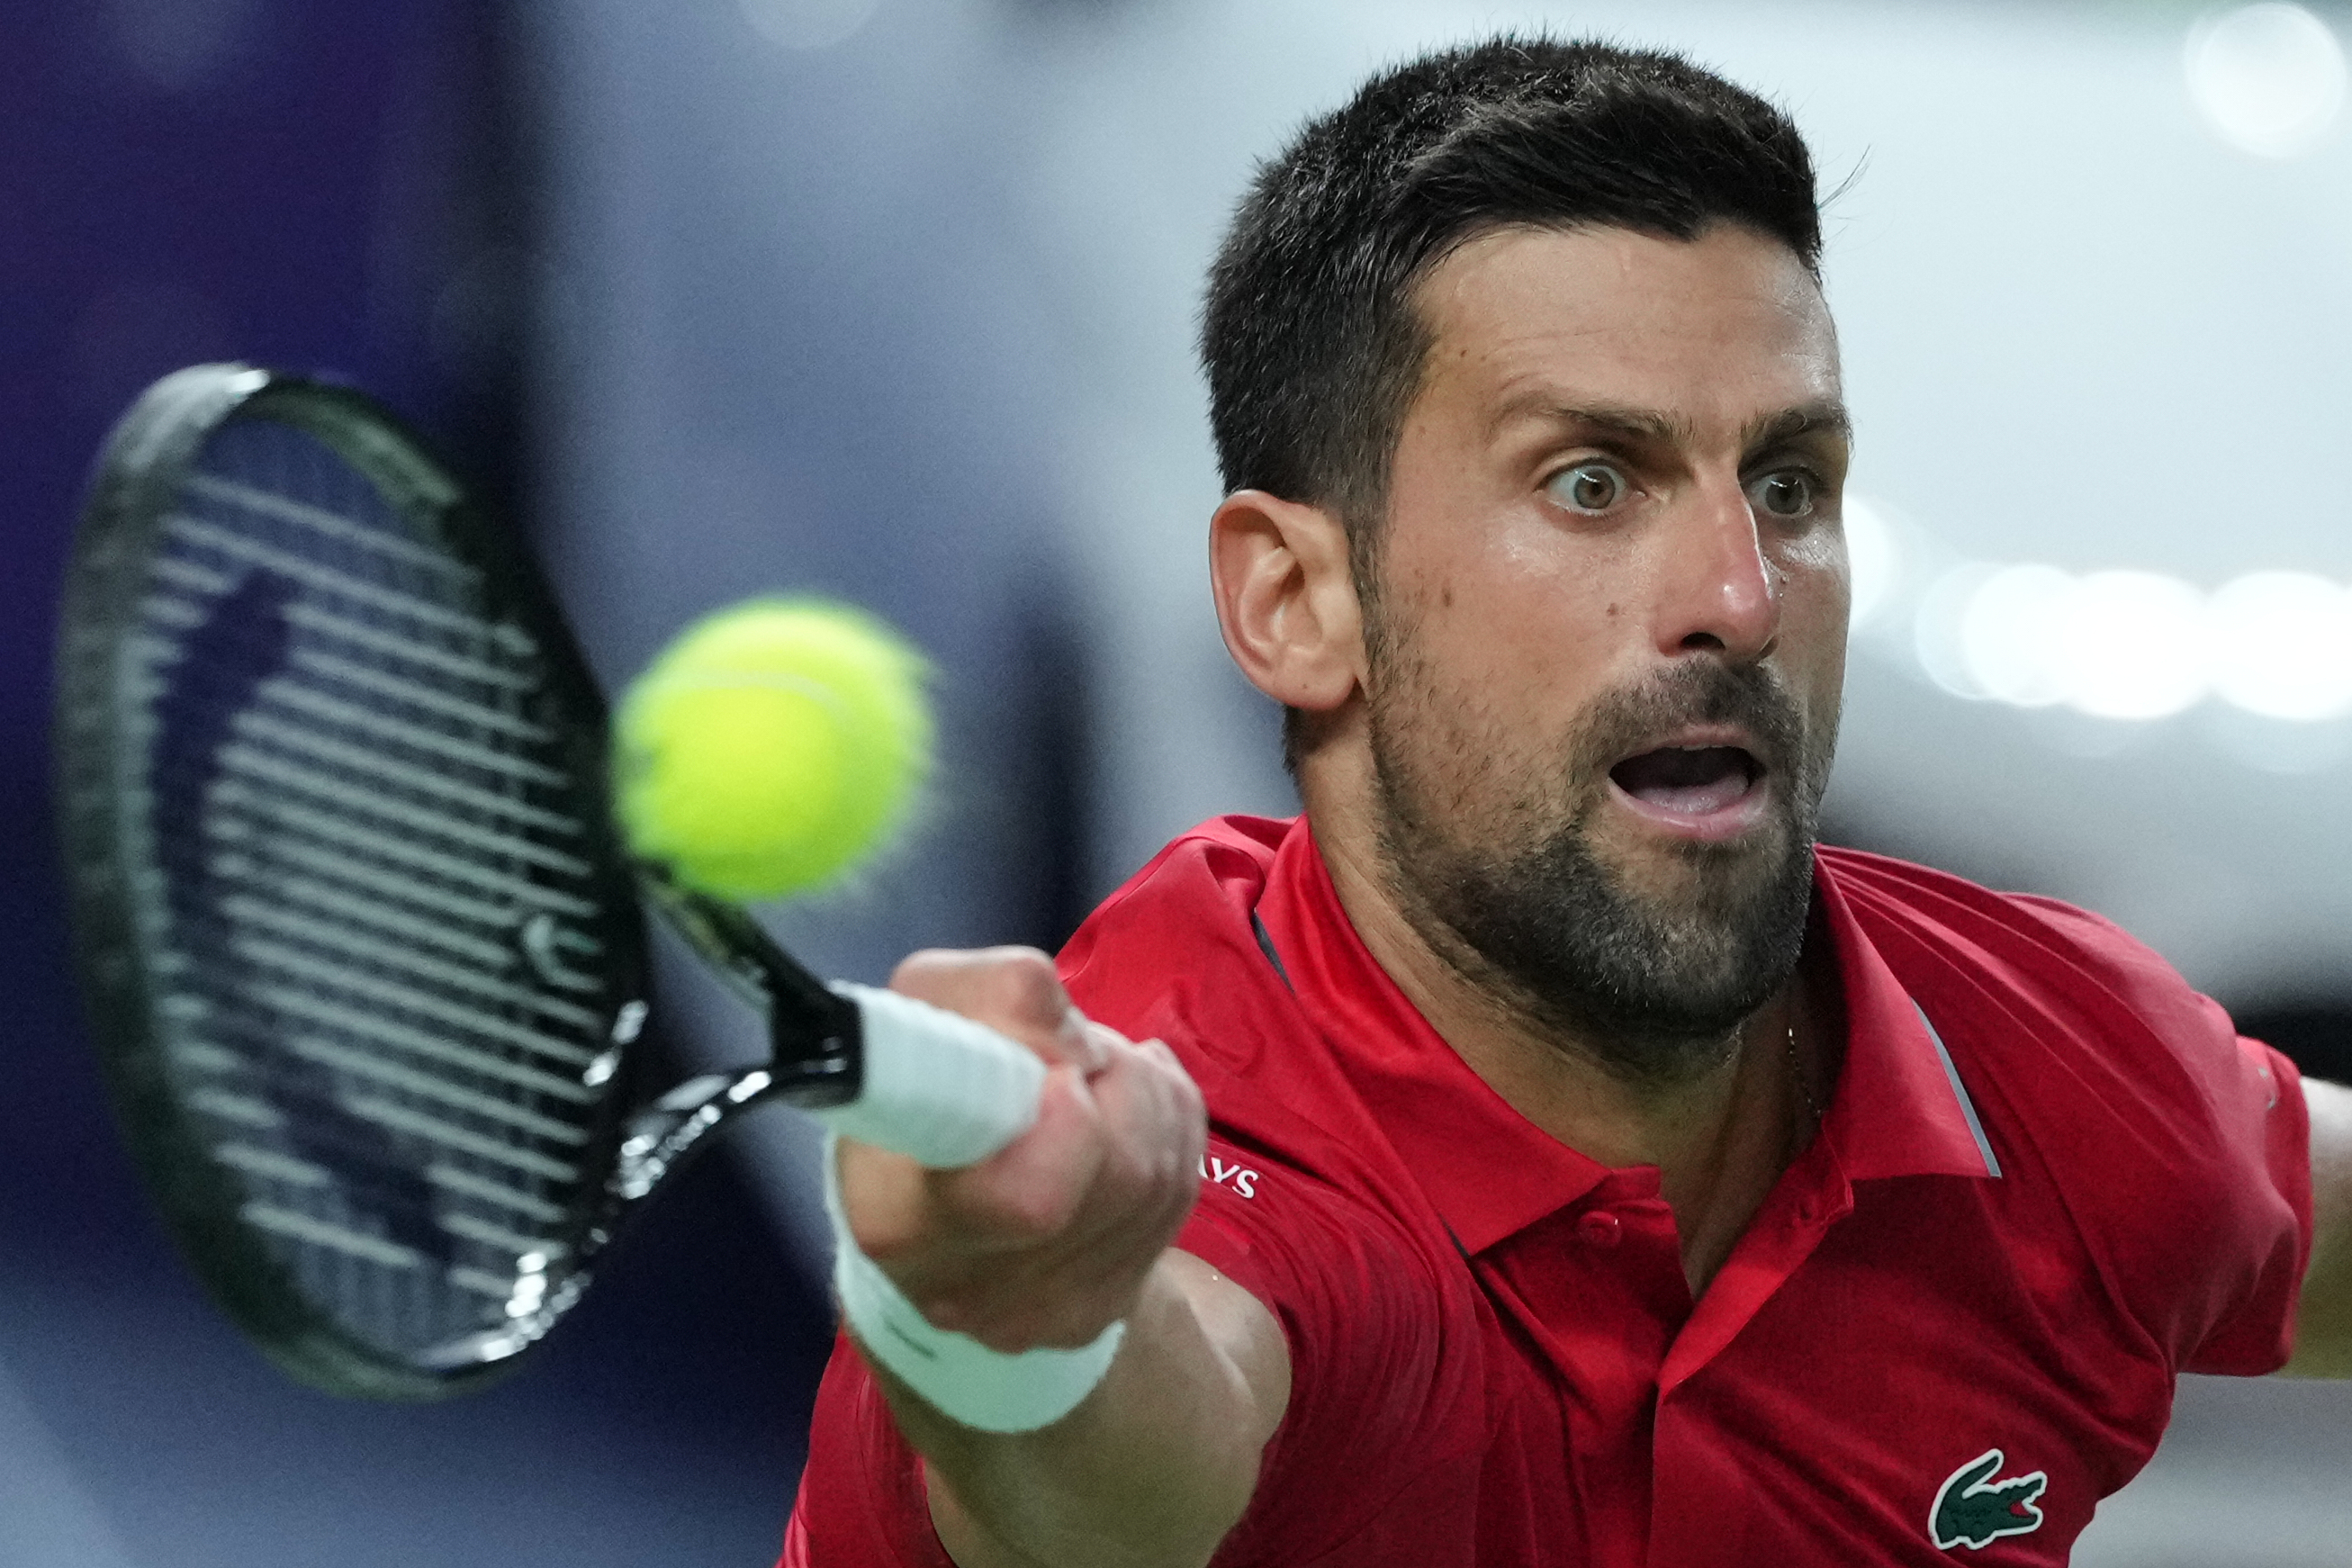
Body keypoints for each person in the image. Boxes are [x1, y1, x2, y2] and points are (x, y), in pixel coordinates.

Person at [783, 35, 2352, 1566]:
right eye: (1589, 483)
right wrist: (1027, 1336)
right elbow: (1125, 1475)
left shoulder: (2049, 1079)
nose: (1739, 594)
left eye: (1790, 484)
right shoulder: (1214, 1136)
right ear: (1295, 600)